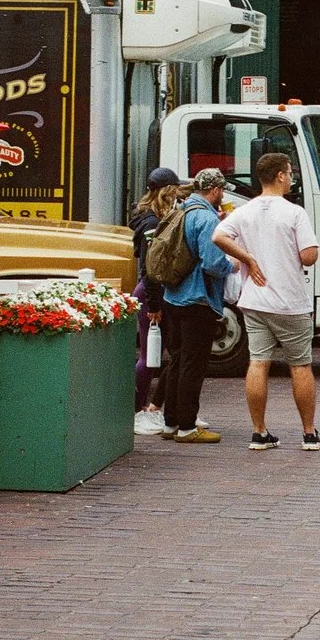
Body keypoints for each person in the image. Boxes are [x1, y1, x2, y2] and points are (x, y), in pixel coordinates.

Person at [211, 153, 320, 452]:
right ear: (281, 176)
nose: (291, 178)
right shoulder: (294, 213)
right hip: (290, 302)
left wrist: (247, 257)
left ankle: (259, 432)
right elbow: (308, 255)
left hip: (255, 301)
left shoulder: (245, 212)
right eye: (289, 172)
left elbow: (218, 236)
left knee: (258, 362)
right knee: (300, 366)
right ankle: (308, 433)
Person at [158, 169, 230, 442]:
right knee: (193, 364)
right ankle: (188, 426)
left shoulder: (182, 210)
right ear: (214, 190)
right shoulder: (207, 218)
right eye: (221, 190)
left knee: (176, 360)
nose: (222, 195)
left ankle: (171, 422)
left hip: (173, 296)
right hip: (197, 299)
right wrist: (231, 265)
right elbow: (212, 263)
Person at [128, 167, 177, 430]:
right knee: (149, 356)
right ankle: (136, 410)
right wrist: (155, 304)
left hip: (149, 292)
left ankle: (146, 406)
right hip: (150, 294)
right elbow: (149, 267)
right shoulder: (151, 223)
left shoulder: (146, 218)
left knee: (155, 354)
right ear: (167, 191)